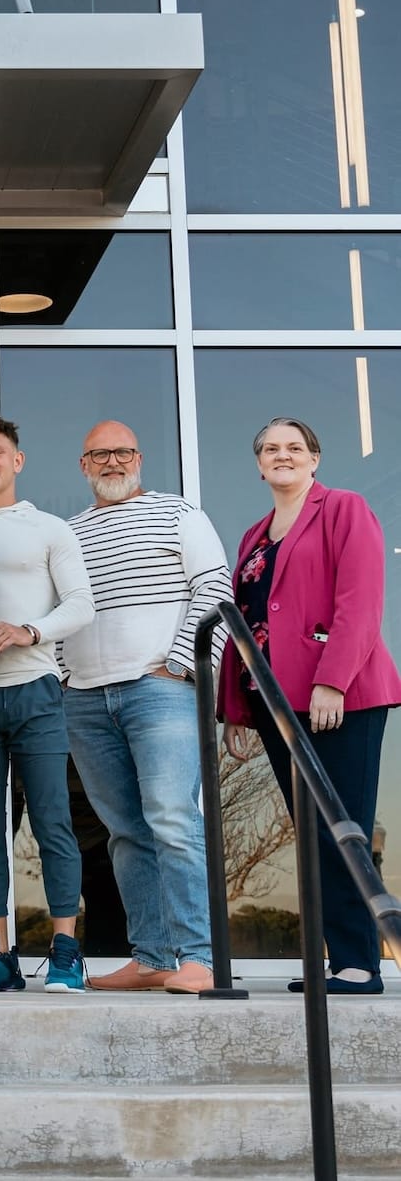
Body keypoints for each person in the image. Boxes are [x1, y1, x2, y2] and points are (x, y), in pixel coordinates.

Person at [220, 417, 401, 995]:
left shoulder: (344, 509)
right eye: (270, 448)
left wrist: (334, 682)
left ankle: (360, 965)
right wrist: (236, 709)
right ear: (258, 463)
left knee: (341, 826)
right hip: (277, 704)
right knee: (312, 832)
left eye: (294, 448)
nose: (282, 456)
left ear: (314, 458)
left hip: (340, 698)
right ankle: (340, 959)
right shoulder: (254, 536)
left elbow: (361, 601)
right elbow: (243, 623)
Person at [61, 420, 231, 995]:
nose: (112, 462)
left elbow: (215, 592)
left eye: (123, 452)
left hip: (160, 690)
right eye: (99, 455)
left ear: (139, 458)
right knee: (125, 832)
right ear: (83, 465)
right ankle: (153, 957)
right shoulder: (69, 531)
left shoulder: (180, 514)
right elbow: (58, 608)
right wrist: (64, 675)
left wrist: (182, 664)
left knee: (172, 821)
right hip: (85, 698)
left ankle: (201, 959)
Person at [0, 414, 95, 993]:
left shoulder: (50, 530)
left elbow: (81, 605)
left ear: (17, 461)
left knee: (53, 823)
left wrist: (29, 631)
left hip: (35, 691)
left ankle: (65, 950)